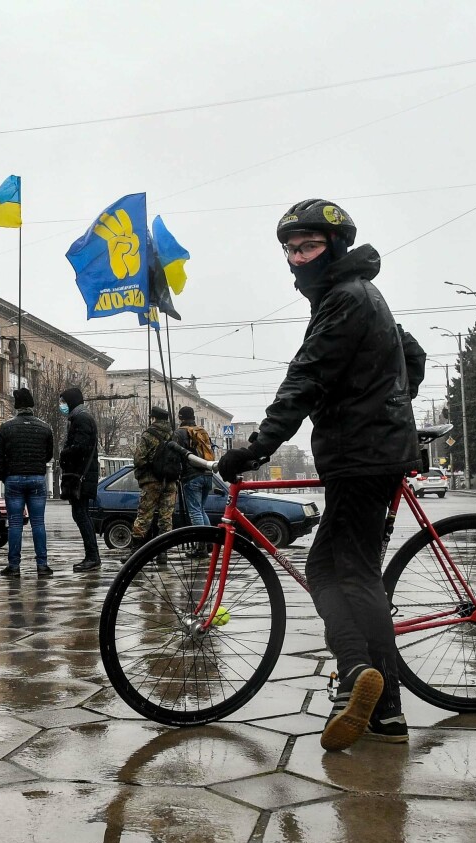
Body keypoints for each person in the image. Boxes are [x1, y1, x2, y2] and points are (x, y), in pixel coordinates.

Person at [217, 198, 424, 752]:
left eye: (307, 246)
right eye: (290, 249)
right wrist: (392, 398)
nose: (297, 258)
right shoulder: (355, 295)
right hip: (366, 451)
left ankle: (360, 676)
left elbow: (305, 377)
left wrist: (256, 446)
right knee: (349, 573)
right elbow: (412, 353)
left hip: (363, 456)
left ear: (334, 247)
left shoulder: (345, 299)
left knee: (339, 572)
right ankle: (382, 709)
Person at [0, 387, 54, 577]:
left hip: (14, 478)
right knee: (38, 523)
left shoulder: (6, 427)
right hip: (36, 478)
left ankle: (14, 566)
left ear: (16, 406)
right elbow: (48, 455)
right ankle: (42, 565)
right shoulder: (44, 427)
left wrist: (5, 476)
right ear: (32, 405)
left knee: (15, 524)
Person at [59, 386, 101, 572]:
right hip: (83, 473)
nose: (62, 406)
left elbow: (80, 447)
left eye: (64, 402)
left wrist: (64, 453)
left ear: (72, 402)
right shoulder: (80, 417)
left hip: (81, 474)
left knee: (81, 514)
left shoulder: (81, 419)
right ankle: (91, 556)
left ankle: (92, 557)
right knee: (81, 514)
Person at [131, 407, 179, 549]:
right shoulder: (174, 435)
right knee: (166, 518)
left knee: (144, 516)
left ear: (154, 418)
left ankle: (136, 550)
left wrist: (150, 466)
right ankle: (162, 552)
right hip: (170, 482)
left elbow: (139, 459)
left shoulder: (148, 434)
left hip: (151, 482)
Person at [176, 406, 216, 556]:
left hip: (192, 476)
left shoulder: (180, 432)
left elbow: (177, 454)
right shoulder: (202, 431)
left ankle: (201, 547)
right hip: (207, 473)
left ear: (180, 417)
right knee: (201, 509)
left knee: (194, 512)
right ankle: (209, 541)